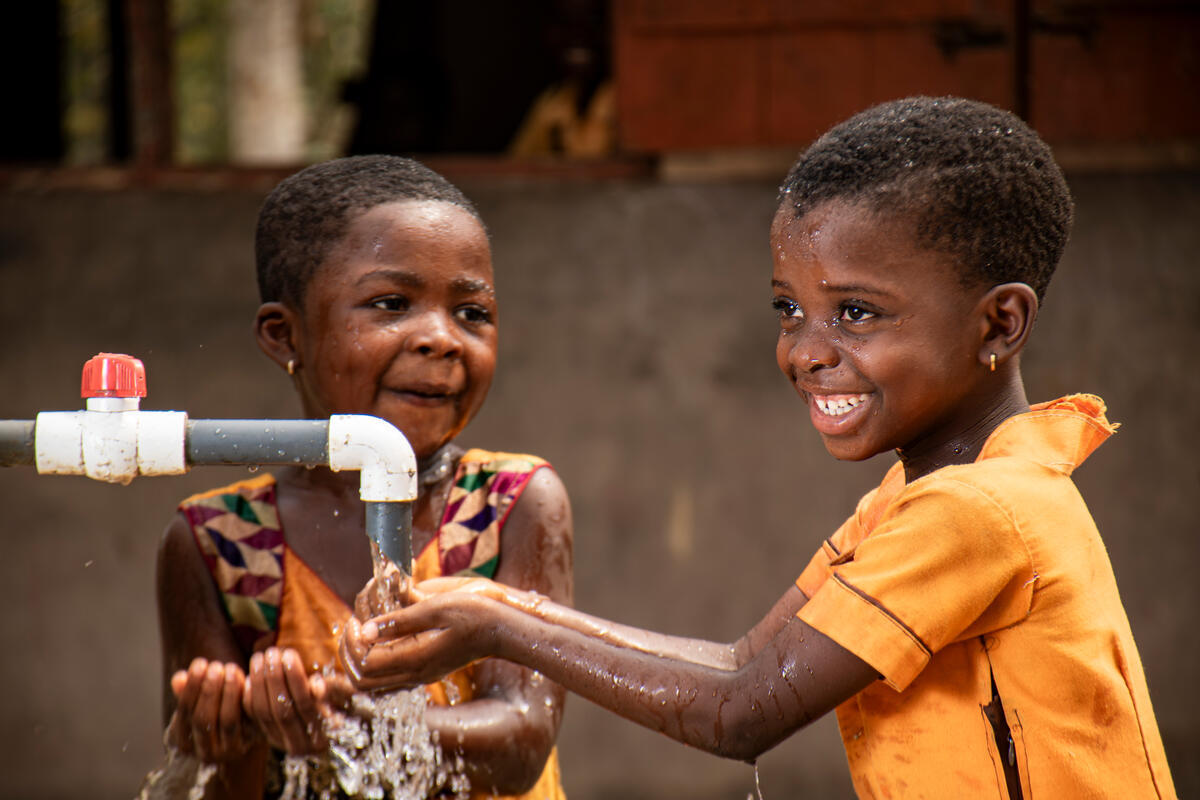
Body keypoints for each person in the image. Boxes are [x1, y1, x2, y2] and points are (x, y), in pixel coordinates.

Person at [340, 98, 1177, 799]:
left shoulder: (980, 510)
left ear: (1000, 323)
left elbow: (740, 711)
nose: (804, 351)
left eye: (855, 312)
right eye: (789, 310)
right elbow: (747, 662)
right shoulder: (917, 497)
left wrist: (495, 624)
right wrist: (500, 611)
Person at [156, 156, 574, 799]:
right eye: (391, 304)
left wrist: (341, 723)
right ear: (283, 334)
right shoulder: (218, 543)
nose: (442, 338)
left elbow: (520, 741)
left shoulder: (508, 504)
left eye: (472, 313)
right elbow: (210, 782)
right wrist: (227, 730)